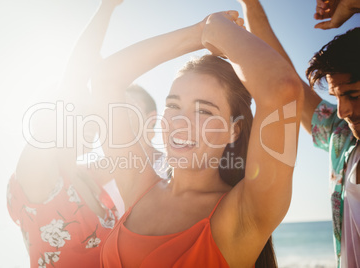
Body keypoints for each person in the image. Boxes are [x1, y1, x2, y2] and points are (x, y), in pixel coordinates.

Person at [89, 8, 303, 267]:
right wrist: (199, 32)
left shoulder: (242, 214)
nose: (180, 121)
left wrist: (216, 27)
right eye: (174, 105)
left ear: (233, 130)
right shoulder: (139, 186)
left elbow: (283, 90)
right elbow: (103, 79)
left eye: (203, 111)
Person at [235, 0, 360, 266]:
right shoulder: (343, 139)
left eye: (353, 95)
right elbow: (282, 75)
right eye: (337, 98)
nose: (343, 111)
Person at [6, 0, 122, 267]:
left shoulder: (88, 175)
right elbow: (73, 80)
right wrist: (106, 9)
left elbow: (143, 158)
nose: (93, 123)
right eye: (81, 113)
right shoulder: (36, 176)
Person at [78, 84, 170, 215]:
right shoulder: (88, 173)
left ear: (151, 119)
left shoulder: (173, 170)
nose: (117, 115)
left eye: (126, 106)